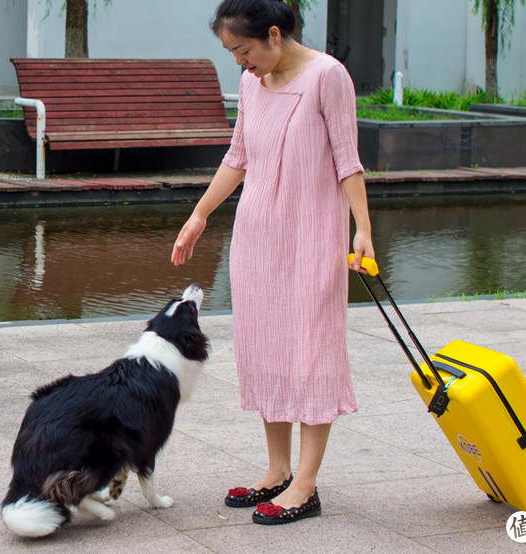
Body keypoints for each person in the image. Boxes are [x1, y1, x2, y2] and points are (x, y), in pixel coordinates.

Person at [170, 0, 375, 525]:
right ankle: (278, 469)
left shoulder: (328, 76)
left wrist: (363, 228)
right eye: (231, 53)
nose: (240, 62)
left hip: (311, 238)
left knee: (311, 352)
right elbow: (237, 156)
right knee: (266, 347)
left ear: (275, 35)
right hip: (257, 238)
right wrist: (199, 216)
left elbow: (348, 160)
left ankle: (305, 486)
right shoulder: (251, 85)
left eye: (243, 50)